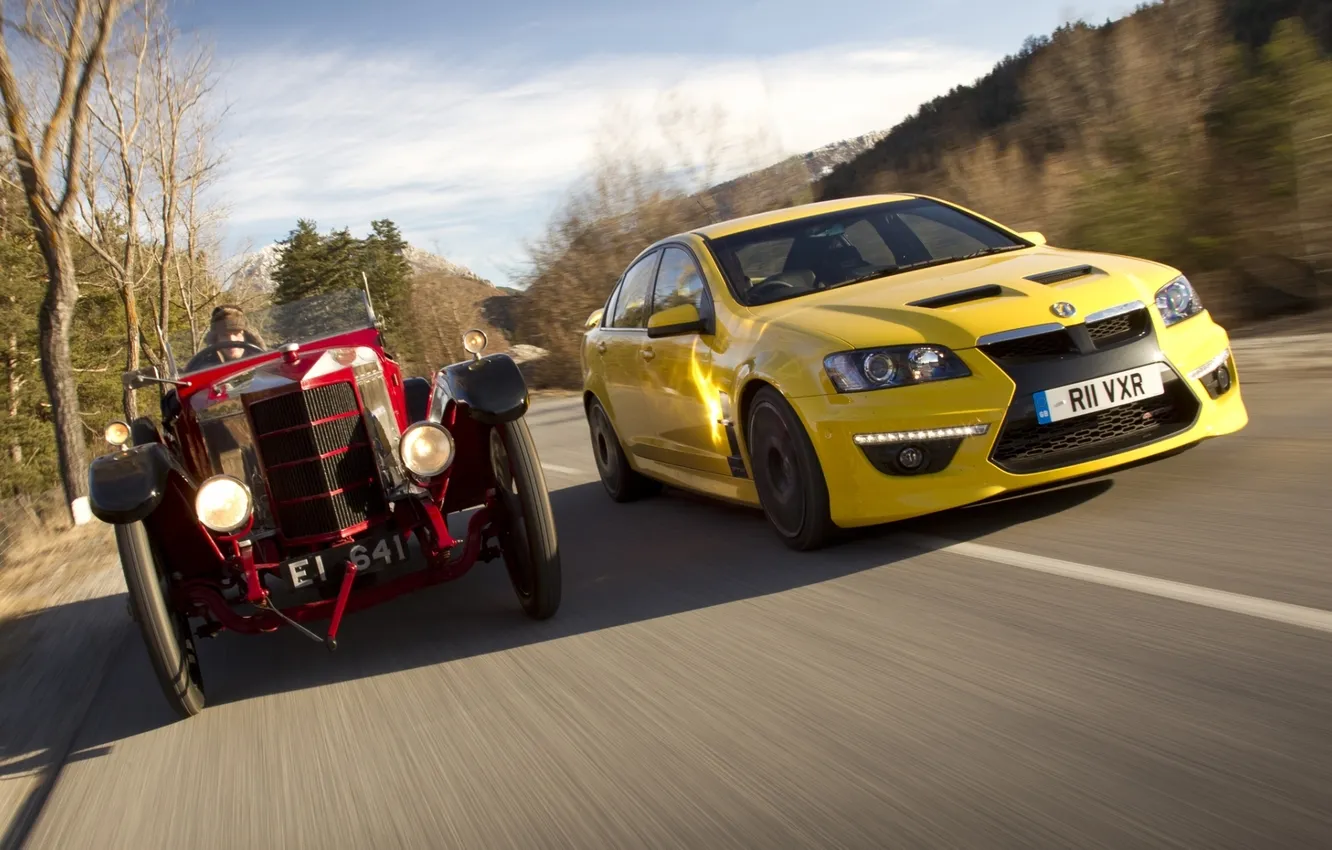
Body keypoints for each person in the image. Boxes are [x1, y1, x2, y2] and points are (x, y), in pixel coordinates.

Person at [185, 305, 267, 370]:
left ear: (246, 336)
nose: (232, 340)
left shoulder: (267, 363)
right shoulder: (204, 369)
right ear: (216, 340)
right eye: (224, 335)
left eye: (236, 333)